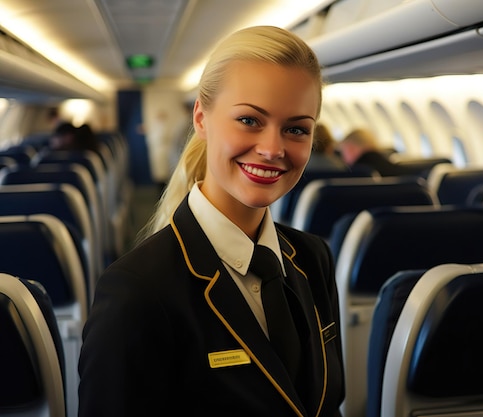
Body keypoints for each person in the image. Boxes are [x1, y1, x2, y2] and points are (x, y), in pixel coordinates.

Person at [78, 25, 345, 417]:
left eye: (296, 129)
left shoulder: (312, 257)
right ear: (201, 119)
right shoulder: (138, 290)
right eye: (250, 121)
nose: (273, 149)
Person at [338, 128, 408, 176]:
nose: (343, 159)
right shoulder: (399, 171)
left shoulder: (355, 174)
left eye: (344, 152)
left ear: (351, 148)